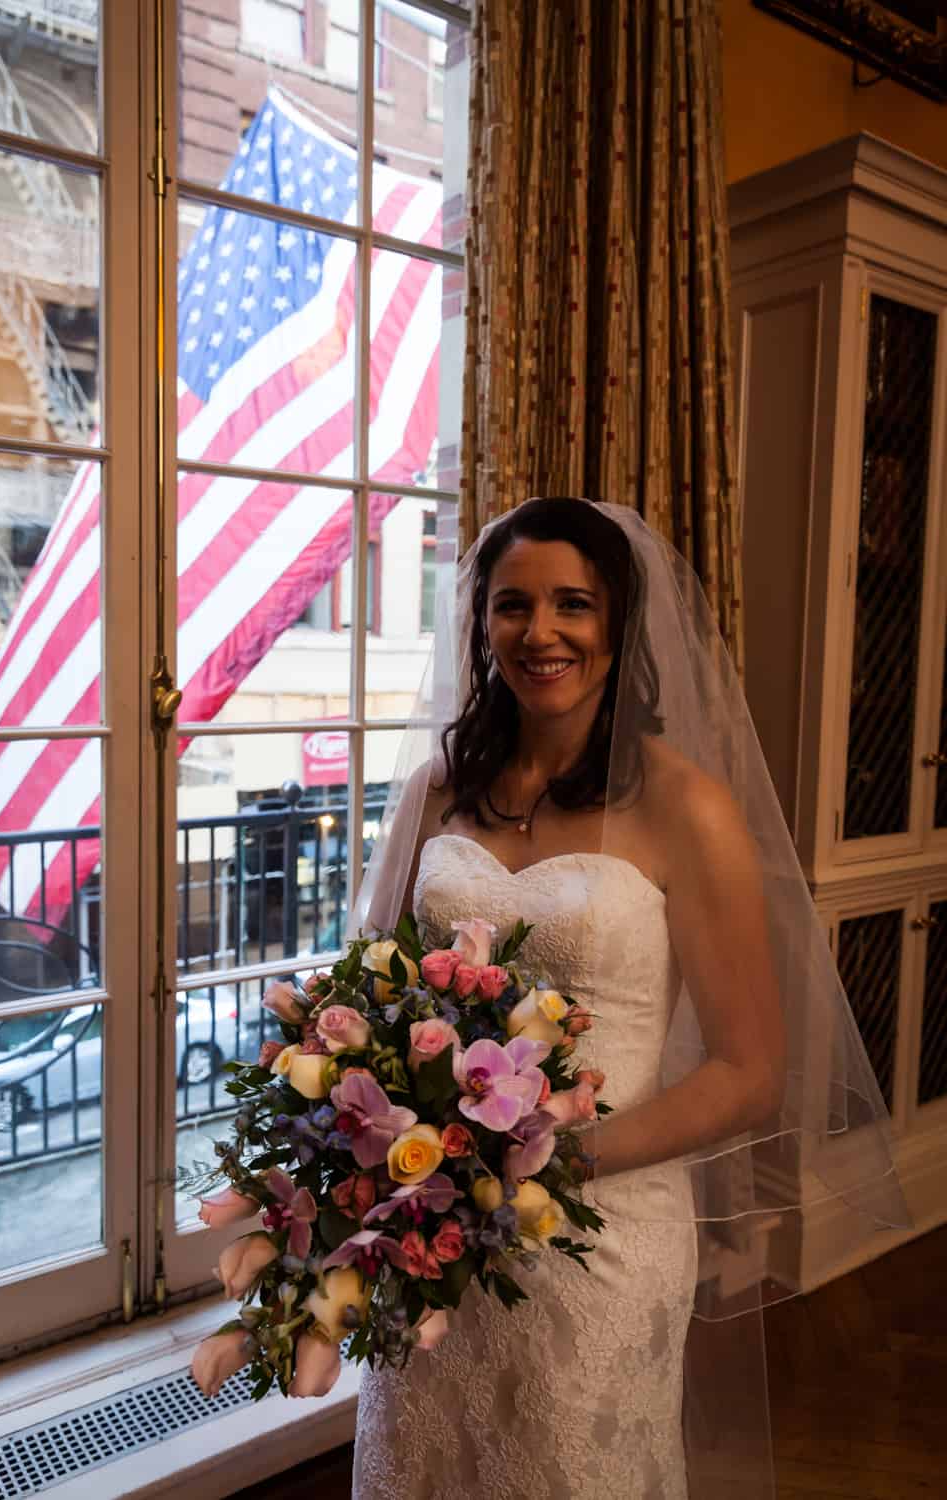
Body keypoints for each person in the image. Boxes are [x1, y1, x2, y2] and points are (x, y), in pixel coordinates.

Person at [346, 497, 907, 1499]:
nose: (540, 632)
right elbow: (376, 990)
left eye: (575, 604)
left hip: (597, 1232)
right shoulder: (440, 786)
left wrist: (551, 1161)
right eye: (512, 605)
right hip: (438, 1221)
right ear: (481, 624)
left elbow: (748, 1074)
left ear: (620, 624)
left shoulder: (684, 806)